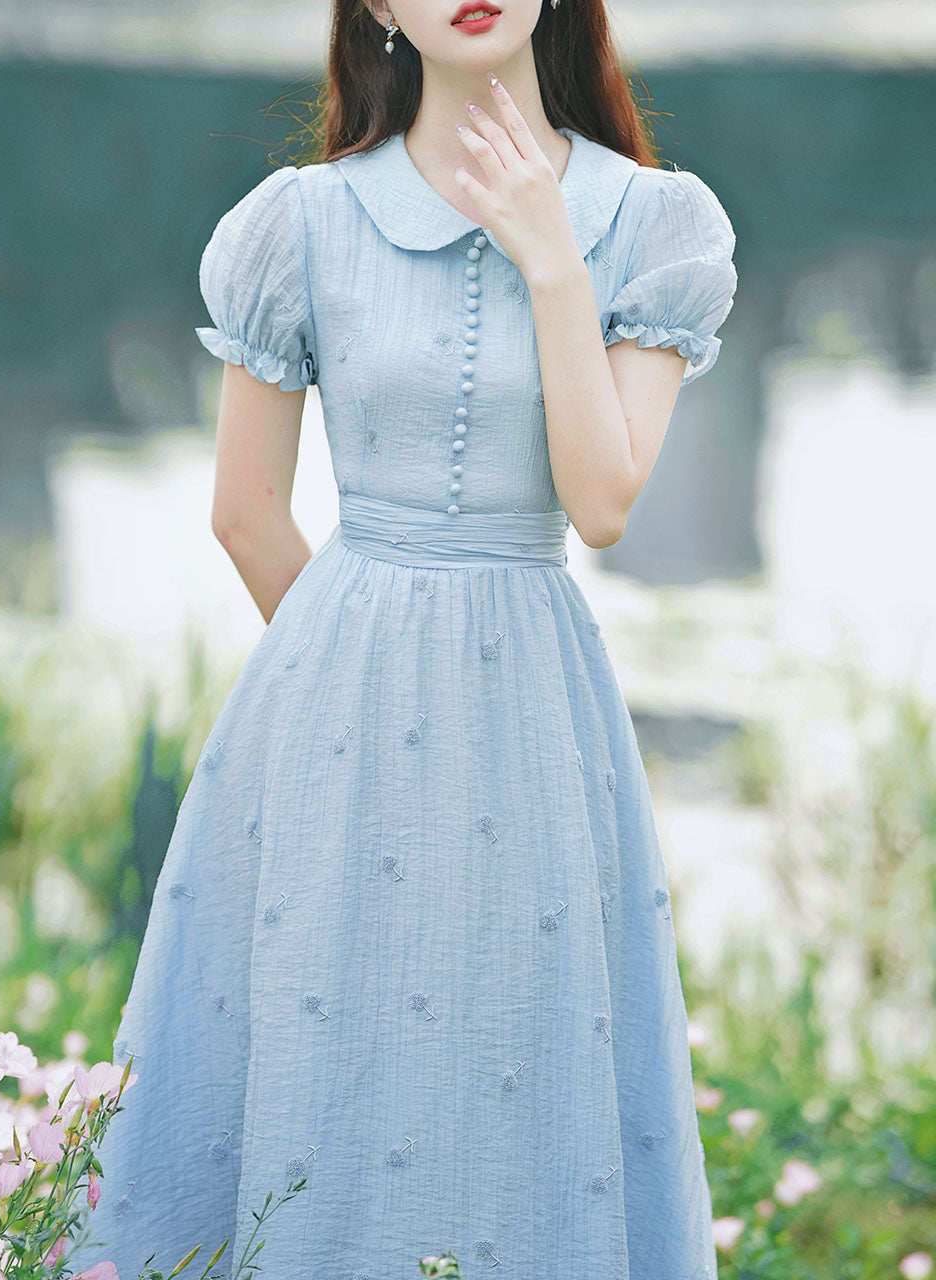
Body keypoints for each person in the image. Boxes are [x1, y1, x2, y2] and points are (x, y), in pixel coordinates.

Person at [78, 2, 737, 1277]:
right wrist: (361, 694)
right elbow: (245, 514)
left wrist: (551, 256)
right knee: (334, 1039)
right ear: (374, 5)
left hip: (538, 708)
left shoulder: (653, 223)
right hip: (329, 706)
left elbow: (600, 503)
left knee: (520, 1042)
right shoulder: (303, 222)